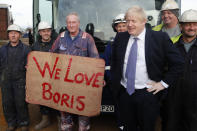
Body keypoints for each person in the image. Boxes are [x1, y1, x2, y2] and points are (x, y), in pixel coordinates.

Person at [110, 6, 184, 131]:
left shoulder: (160, 38)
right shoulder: (120, 38)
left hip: (147, 95)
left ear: (144, 21)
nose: (129, 25)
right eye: (127, 21)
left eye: (134, 21)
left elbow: (178, 63)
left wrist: (163, 83)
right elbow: (115, 62)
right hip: (125, 94)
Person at [50, 12, 99, 131]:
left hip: (82, 83)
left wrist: (98, 78)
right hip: (64, 83)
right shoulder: (61, 37)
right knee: (65, 112)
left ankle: (83, 127)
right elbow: (51, 55)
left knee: (83, 114)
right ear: (66, 24)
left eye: (74, 22)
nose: (71, 25)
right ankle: (67, 127)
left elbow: (95, 60)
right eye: (69, 22)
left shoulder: (87, 38)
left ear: (78, 23)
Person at [0, 24, 31, 131]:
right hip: (6, 81)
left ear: (20, 35)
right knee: (7, 103)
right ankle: (11, 123)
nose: (13, 35)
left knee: (21, 102)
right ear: (8, 35)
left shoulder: (26, 49)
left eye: (15, 33)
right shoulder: (2, 50)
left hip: (20, 80)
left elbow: (30, 66)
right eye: (11, 33)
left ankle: (24, 123)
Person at [172, 9, 197, 131]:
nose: (192, 27)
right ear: (181, 26)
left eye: (195, 24)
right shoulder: (172, 48)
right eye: (188, 24)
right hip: (173, 101)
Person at [32, 21, 58, 130]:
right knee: (43, 97)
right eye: (43, 31)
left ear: (51, 32)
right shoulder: (35, 46)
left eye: (48, 30)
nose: (46, 33)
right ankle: (45, 119)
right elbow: (31, 61)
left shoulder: (57, 44)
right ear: (39, 32)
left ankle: (61, 120)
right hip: (42, 78)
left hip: (56, 77)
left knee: (58, 98)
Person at [103, 13, 127, 130]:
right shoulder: (111, 43)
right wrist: (110, 78)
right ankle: (121, 124)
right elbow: (107, 63)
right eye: (119, 26)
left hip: (131, 82)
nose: (121, 28)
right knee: (118, 104)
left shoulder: (135, 40)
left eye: (124, 25)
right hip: (116, 81)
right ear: (115, 28)